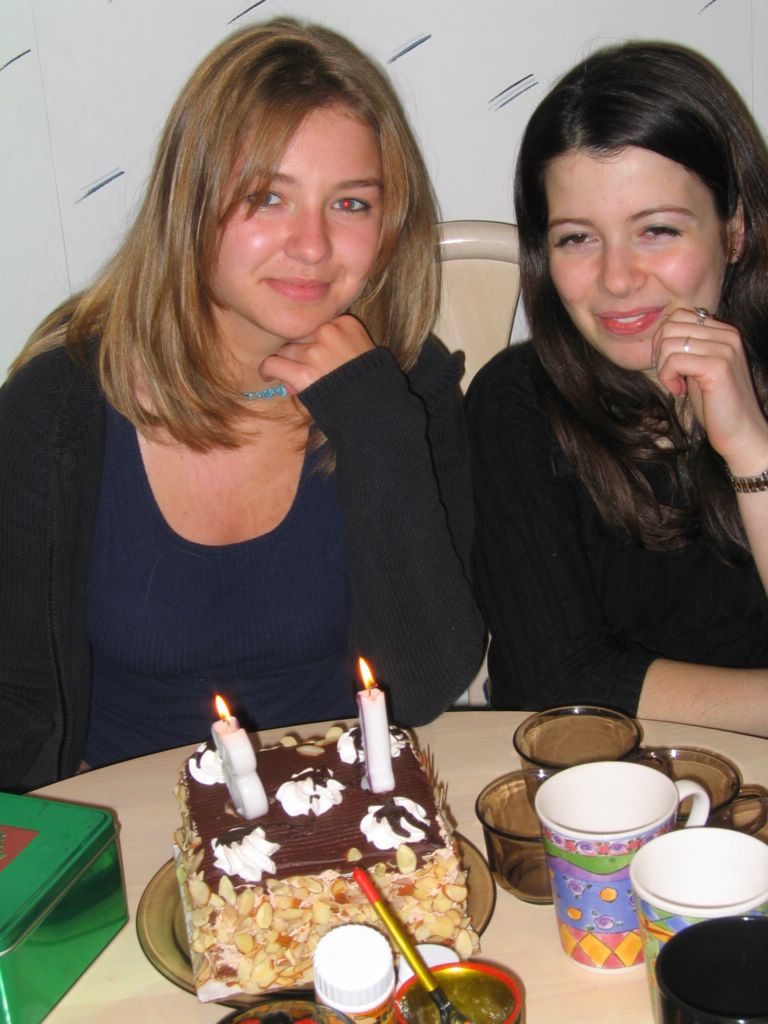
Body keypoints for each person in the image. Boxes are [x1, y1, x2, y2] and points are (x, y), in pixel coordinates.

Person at [0, 18, 484, 791]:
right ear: (189, 203)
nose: (312, 245)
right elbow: (17, 701)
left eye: (350, 204)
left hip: (343, 815)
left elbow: (424, 687)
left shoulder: (401, 386)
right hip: (125, 821)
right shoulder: (57, 408)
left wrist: (372, 423)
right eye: (267, 197)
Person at [466, 41, 768, 734]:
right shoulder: (515, 404)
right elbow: (556, 684)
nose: (618, 279)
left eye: (657, 230)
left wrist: (751, 448)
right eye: (577, 238)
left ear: (734, 231)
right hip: (593, 779)